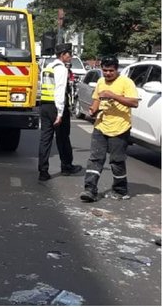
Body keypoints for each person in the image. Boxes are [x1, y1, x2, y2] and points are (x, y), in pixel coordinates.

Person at [80, 56, 139, 203]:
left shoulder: (126, 82)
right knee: (95, 158)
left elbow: (134, 102)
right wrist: (92, 110)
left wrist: (113, 95)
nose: (107, 74)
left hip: (120, 127)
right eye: (104, 70)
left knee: (116, 161)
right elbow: (96, 100)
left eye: (110, 71)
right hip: (101, 125)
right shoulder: (100, 82)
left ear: (116, 69)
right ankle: (90, 190)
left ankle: (120, 190)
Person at [37, 43, 82, 181]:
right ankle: (67, 166)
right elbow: (60, 91)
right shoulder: (61, 69)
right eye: (69, 54)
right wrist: (60, 113)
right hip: (56, 107)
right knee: (63, 138)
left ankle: (43, 171)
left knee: (45, 139)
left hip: (44, 105)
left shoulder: (47, 67)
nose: (71, 57)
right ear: (63, 55)